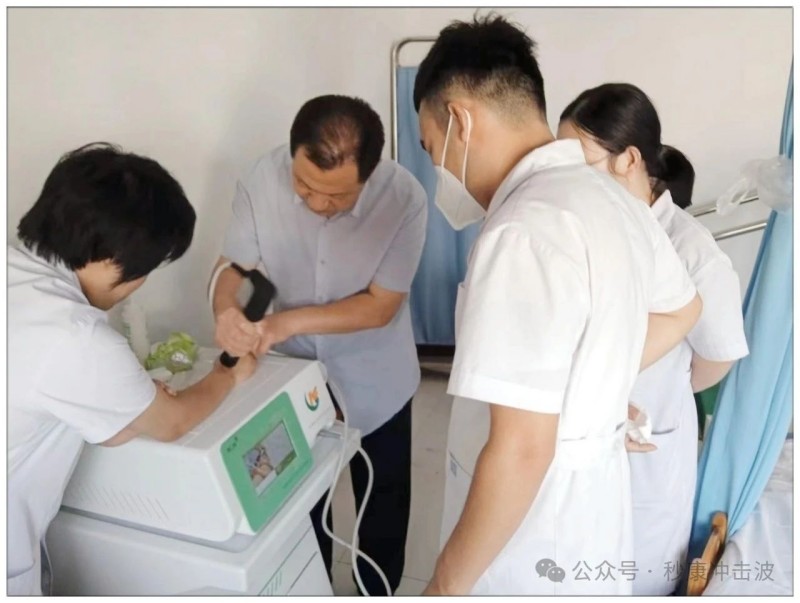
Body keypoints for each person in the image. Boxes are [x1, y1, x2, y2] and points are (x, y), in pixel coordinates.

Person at [413, 15, 703, 595]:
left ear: (460, 122)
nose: (437, 168)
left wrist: (442, 587)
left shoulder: (522, 231)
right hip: (591, 517)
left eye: (429, 146)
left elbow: (522, 450)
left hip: (529, 539)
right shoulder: (613, 200)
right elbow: (681, 310)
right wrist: (596, 385)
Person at [8, 143, 257, 596]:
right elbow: (172, 423)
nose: (139, 284)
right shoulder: (74, 335)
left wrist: (130, 403)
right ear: (109, 259)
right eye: (144, 270)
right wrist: (228, 375)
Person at [210, 95, 427, 595]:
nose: (316, 204)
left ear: (369, 175)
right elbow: (235, 266)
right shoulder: (260, 179)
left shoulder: (404, 199)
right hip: (292, 377)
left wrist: (282, 323)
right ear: (293, 154)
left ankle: (377, 591)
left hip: (378, 378)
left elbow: (380, 306)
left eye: (337, 197)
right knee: (301, 503)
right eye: (305, 187)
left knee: (384, 501)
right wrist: (225, 308)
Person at [558, 83, 749, 595]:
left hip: (649, 448)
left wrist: (662, 387)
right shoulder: (586, 227)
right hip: (583, 438)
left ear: (629, 160)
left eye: (580, 162)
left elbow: (717, 358)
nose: (566, 178)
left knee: (637, 574)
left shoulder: (691, 250)